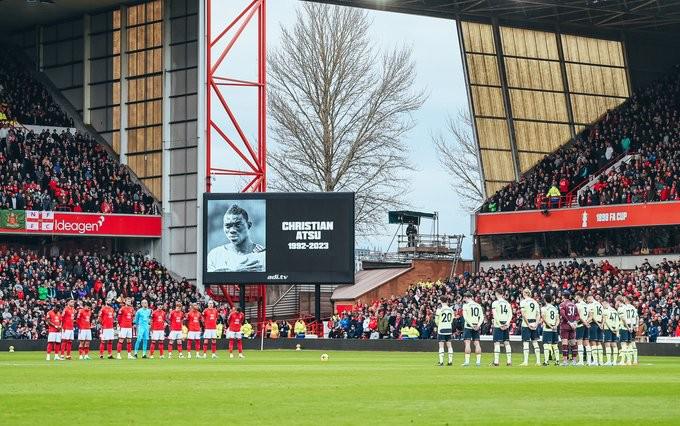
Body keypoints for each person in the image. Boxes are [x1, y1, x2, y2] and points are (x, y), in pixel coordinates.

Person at [207, 204, 266, 272]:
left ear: (249, 225)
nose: (232, 230)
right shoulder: (215, 254)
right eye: (228, 226)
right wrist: (236, 272)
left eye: (237, 225)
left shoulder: (263, 255)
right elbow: (211, 280)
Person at [519, 289, 541, 366]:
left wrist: (528, 324)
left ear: (525, 293)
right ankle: (538, 361)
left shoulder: (523, 302)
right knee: (535, 342)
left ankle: (525, 361)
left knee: (526, 342)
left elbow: (523, 314)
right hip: (534, 322)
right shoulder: (535, 302)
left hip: (526, 324)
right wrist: (536, 324)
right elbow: (538, 315)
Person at [491, 290, 512, 367]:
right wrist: (507, 323)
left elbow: (495, 315)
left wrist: (499, 324)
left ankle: (496, 361)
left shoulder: (495, 303)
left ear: (497, 294)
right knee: (506, 342)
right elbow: (510, 314)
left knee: (497, 342)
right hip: (506, 323)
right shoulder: (507, 303)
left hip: (498, 324)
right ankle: (509, 361)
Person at [461, 292, 483, 367]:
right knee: (477, 343)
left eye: (465, 298)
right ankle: (478, 362)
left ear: (466, 297)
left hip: (468, 326)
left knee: (467, 343)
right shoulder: (478, 305)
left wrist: (471, 325)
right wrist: (478, 325)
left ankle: (467, 362)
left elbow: (465, 317)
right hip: (476, 325)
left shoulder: (466, 305)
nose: (464, 299)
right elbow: (482, 317)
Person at [559, 290, 579, 366]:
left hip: (565, 325)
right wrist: (575, 322)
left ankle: (565, 361)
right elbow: (577, 315)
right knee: (573, 343)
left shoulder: (562, 304)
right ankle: (574, 361)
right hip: (573, 326)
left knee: (565, 343)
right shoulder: (574, 305)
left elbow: (563, 314)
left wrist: (569, 322)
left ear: (563, 296)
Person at [434, 295, 454, 366]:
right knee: (449, 345)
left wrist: (439, 325)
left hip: (441, 329)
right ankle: (450, 361)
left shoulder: (439, 310)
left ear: (441, 301)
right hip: (449, 328)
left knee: (441, 346)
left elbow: (436, 321)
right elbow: (452, 319)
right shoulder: (451, 309)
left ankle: (441, 361)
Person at [541, 294, 560, 366]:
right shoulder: (555, 308)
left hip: (547, 329)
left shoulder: (543, 308)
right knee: (555, 345)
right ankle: (557, 361)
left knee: (546, 345)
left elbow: (544, 318)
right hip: (554, 329)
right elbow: (558, 319)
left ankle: (546, 362)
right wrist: (555, 326)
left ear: (545, 300)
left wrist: (550, 326)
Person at [586, 294, 604, 366]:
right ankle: (601, 361)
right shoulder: (600, 304)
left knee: (593, 342)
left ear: (590, 298)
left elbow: (592, 316)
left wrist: (597, 323)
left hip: (594, 324)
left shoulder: (591, 305)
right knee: (599, 342)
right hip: (600, 323)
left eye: (588, 299)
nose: (587, 301)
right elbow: (603, 315)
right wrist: (601, 324)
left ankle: (595, 361)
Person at [616, 296, 633, 366]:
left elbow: (623, 319)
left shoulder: (620, 308)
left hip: (623, 327)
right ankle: (629, 361)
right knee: (628, 345)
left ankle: (622, 361)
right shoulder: (628, 307)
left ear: (618, 301)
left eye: (616, 301)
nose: (616, 302)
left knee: (623, 344)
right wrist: (631, 327)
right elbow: (631, 318)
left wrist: (627, 327)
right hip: (630, 326)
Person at [602, 299, 619, 366]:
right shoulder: (614, 310)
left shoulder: (605, 311)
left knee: (607, 344)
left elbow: (606, 321)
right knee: (614, 344)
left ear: (606, 303)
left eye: (603, 304)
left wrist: (611, 329)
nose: (602, 306)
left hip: (608, 329)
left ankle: (609, 361)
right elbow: (617, 320)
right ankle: (614, 361)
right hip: (615, 328)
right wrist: (616, 329)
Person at [575, 292, 590, 366]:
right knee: (586, 342)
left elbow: (578, 316)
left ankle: (581, 361)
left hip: (580, 324)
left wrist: (584, 322)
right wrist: (587, 322)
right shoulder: (587, 305)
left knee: (579, 342)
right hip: (586, 325)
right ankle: (589, 361)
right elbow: (590, 315)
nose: (575, 297)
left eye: (576, 296)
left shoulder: (577, 305)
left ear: (578, 296)